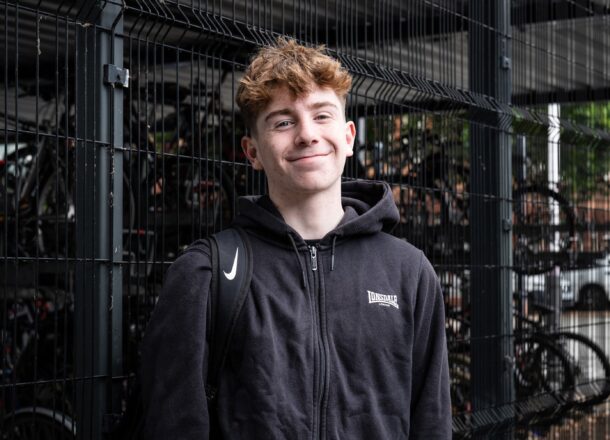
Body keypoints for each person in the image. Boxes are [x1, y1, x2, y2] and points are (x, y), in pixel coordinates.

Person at [140, 38, 451, 439]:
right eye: (283, 121)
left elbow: (432, 424)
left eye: (322, 116)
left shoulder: (409, 274)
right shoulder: (207, 274)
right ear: (252, 151)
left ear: (349, 136)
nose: (307, 135)